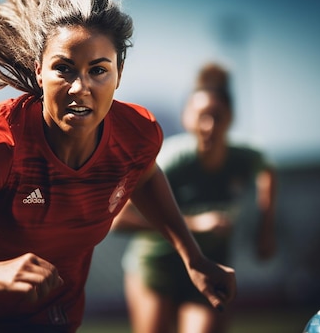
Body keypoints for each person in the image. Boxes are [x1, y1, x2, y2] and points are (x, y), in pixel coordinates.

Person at [0, 0, 237, 332]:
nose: (81, 88)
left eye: (98, 71)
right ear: (39, 71)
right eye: (63, 68)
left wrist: (194, 258)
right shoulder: (0, 146)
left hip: (44, 319)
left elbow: (146, 176)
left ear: (119, 74)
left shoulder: (137, 136)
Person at [112, 62, 277, 333]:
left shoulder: (244, 158)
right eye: (201, 116)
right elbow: (117, 220)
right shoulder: (170, 160)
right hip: (156, 271)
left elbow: (268, 170)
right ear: (186, 117)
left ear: (231, 118)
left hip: (209, 268)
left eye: (217, 116)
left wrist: (266, 228)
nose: (209, 126)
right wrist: (195, 224)